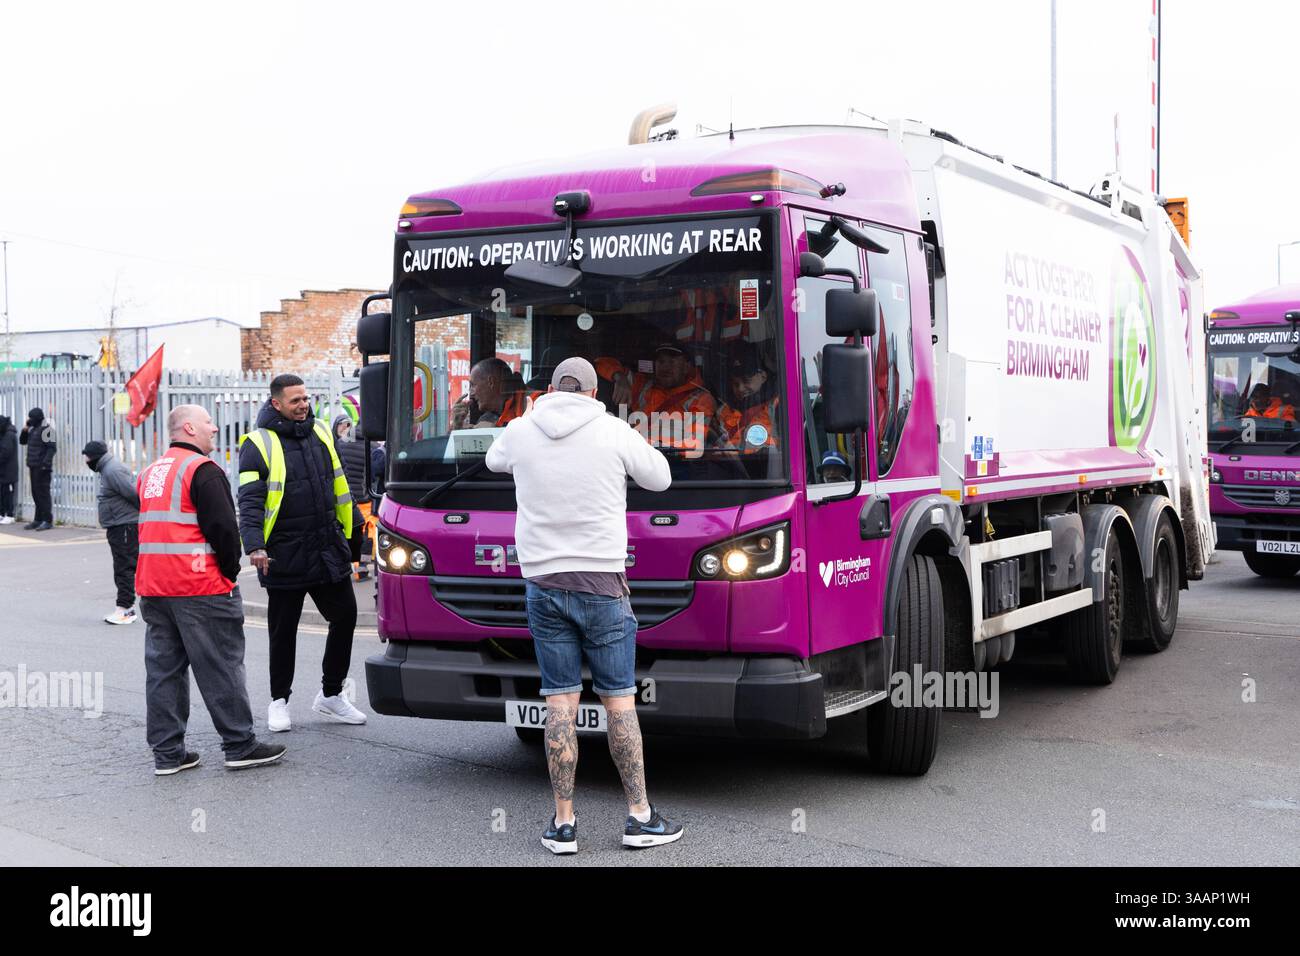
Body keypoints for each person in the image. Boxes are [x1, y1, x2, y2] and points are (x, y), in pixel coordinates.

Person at [485, 357, 684, 854]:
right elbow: (659, 478)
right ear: (594, 393)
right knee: (619, 700)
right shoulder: (612, 429)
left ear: (550, 389)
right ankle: (639, 817)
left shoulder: (520, 428)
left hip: (543, 586)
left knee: (559, 703)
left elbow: (493, 461)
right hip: (602, 586)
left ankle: (564, 824)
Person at [139, 404, 285, 774]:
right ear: (189, 427)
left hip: (155, 587)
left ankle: (167, 755)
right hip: (199, 585)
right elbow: (223, 529)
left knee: (164, 671)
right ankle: (240, 745)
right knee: (220, 665)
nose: (215, 429)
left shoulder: (151, 472)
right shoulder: (202, 470)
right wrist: (228, 573)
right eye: (208, 422)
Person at [238, 374, 367, 732]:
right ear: (276, 403)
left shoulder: (322, 432)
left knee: (345, 617)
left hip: (325, 547)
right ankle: (279, 701)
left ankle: (330, 695)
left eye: (305, 398)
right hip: (283, 552)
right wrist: (255, 545)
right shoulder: (257, 443)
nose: (303, 405)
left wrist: (355, 533)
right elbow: (249, 501)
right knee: (284, 632)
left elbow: (340, 485)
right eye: (295, 400)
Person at [603, 342, 721, 454]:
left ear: (686, 367)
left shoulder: (701, 398)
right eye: (661, 361)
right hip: (636, 464)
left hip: (678, 468)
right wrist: (619, 376)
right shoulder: (644, 386)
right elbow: (600, 362)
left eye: (672, 362)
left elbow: (693, 444)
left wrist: (641, 443)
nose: (665, 367)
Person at [83, 440, 141, 624]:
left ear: (93, 456)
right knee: (125, 566)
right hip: (119, 524)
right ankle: (126, 608)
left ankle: (125, 609)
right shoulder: (107, 468)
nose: (85, 460)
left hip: (124, 524)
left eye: (86, 456)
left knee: (124, 567)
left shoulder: (113, 470)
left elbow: (134, 494)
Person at [717, 344, 780, 454]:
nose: (740, 388)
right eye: (735, 383)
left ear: (763, 377)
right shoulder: (722, 411)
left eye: (746, 380)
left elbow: (787, 453)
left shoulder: (780, 407)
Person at [333, 414, 372, 581]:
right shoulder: (373, 446)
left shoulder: (339, 445)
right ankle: (362, 568)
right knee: (365, 535)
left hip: (344, 497)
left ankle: (343, 567)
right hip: (364, 500)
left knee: (343, 532)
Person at [449, 357, 532, 430]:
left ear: (491, 382)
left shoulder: (533, 404)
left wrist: (495, 431)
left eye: (473, 385)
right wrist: (457, 426)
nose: (471, 393)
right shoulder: (487, 418)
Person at [18, 407, 55, 530]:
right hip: (33, 466)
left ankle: (47, 520)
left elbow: (51, 449)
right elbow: (22, 442)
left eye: (31, 417)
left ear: (38, 418)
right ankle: (38, 519)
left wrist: (46, 463)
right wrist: (25, 429)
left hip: (42, 467)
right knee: (35, 493)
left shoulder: (47, 430)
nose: (29, 420)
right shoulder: (32, 429)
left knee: (43, 493)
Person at [0, 415, 17, 524]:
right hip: (3, 469)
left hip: (8, 470)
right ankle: (2, 513)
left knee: (8, 492)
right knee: (2, 492)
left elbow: (5, 453)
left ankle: (10, 515)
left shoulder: (9, 435)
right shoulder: (4, 434)